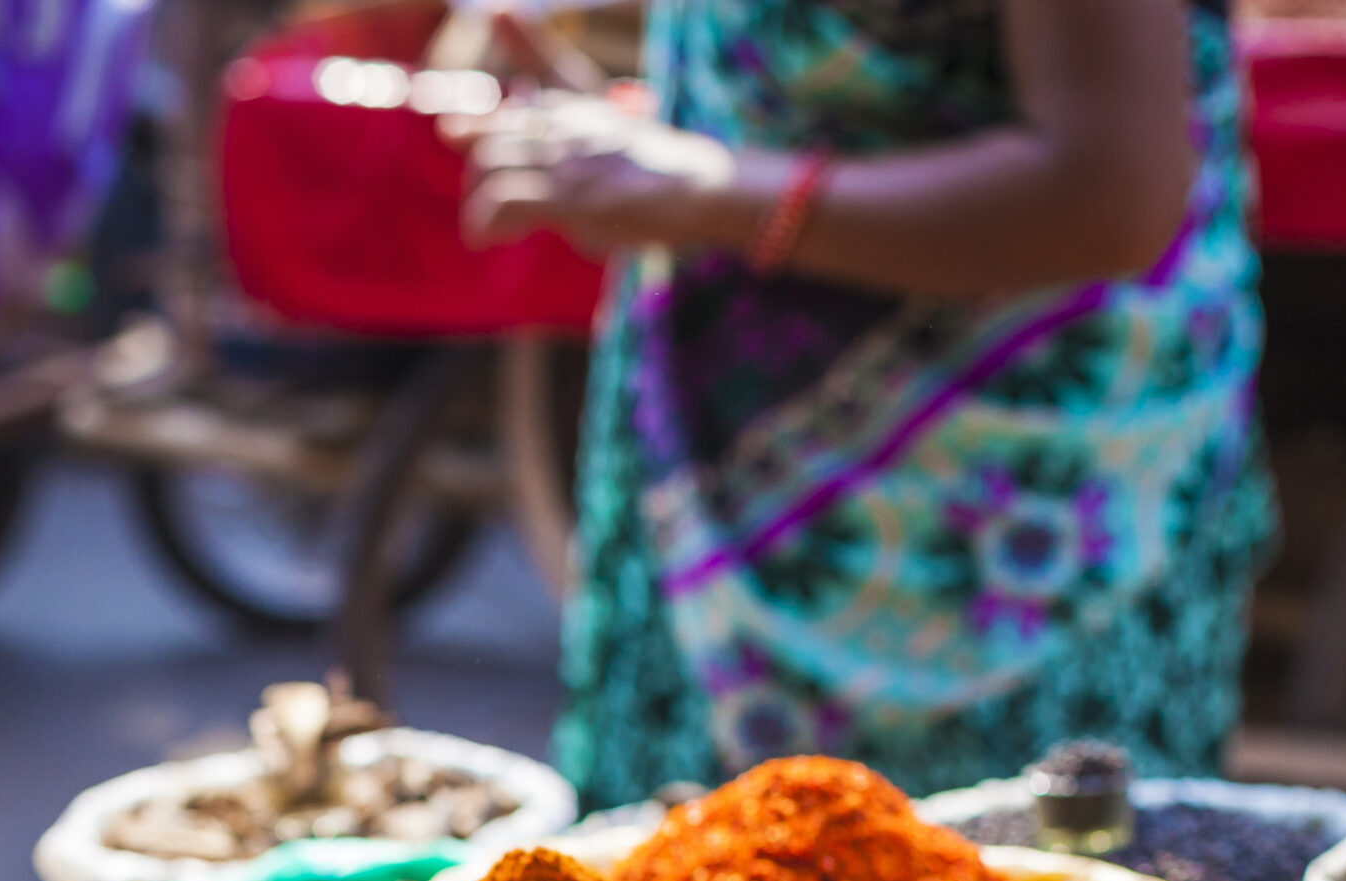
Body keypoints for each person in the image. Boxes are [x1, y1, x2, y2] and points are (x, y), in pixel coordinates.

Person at [467, 0, 1273, 806]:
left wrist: (708, 191)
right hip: (713, 501)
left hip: (1003, 539)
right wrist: (631, 152)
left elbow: (1108, 191)